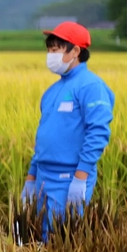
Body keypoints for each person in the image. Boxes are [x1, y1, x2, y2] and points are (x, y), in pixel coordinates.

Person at [22, 22, 115, 239]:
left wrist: (80, 178)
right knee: (37, 238)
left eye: (56, 50)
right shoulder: (52, 91)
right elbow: (43, 136)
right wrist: (31, 178)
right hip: (44, 175)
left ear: (76, 51)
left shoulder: (91, 86)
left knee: (61, 239)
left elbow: (98, 132)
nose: (50, 55)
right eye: (49, 50)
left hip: (69, 176)